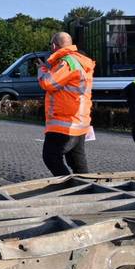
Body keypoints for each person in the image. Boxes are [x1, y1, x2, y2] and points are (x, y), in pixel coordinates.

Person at [37, 32, 95, 176]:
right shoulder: (79, 60)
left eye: (51, 44)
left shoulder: (67, 62)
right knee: (78, 164)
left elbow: (47, 82)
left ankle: (68, 188)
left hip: (64, 123)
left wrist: (42, 69)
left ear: (54, 45)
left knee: (51, 157)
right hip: (79, 121)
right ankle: (86, 192)